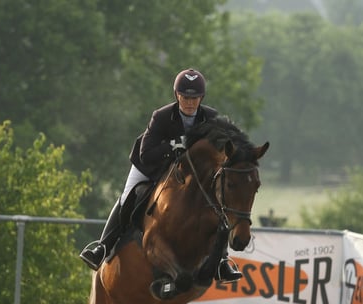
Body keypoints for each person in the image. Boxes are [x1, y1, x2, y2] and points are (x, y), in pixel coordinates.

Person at [78, 68, 243, 283]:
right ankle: (102, 246)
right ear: (177, 95)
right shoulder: (162, 116)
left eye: (195, 98)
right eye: (185, 97)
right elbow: (147, 154)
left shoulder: (211, 118)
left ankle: (222, 261)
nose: (190, 102)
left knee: (216, 203)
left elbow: (230, 144)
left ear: (202, 97)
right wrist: (172, 147)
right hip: (151, 167)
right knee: (129, 196)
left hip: (187, 173)